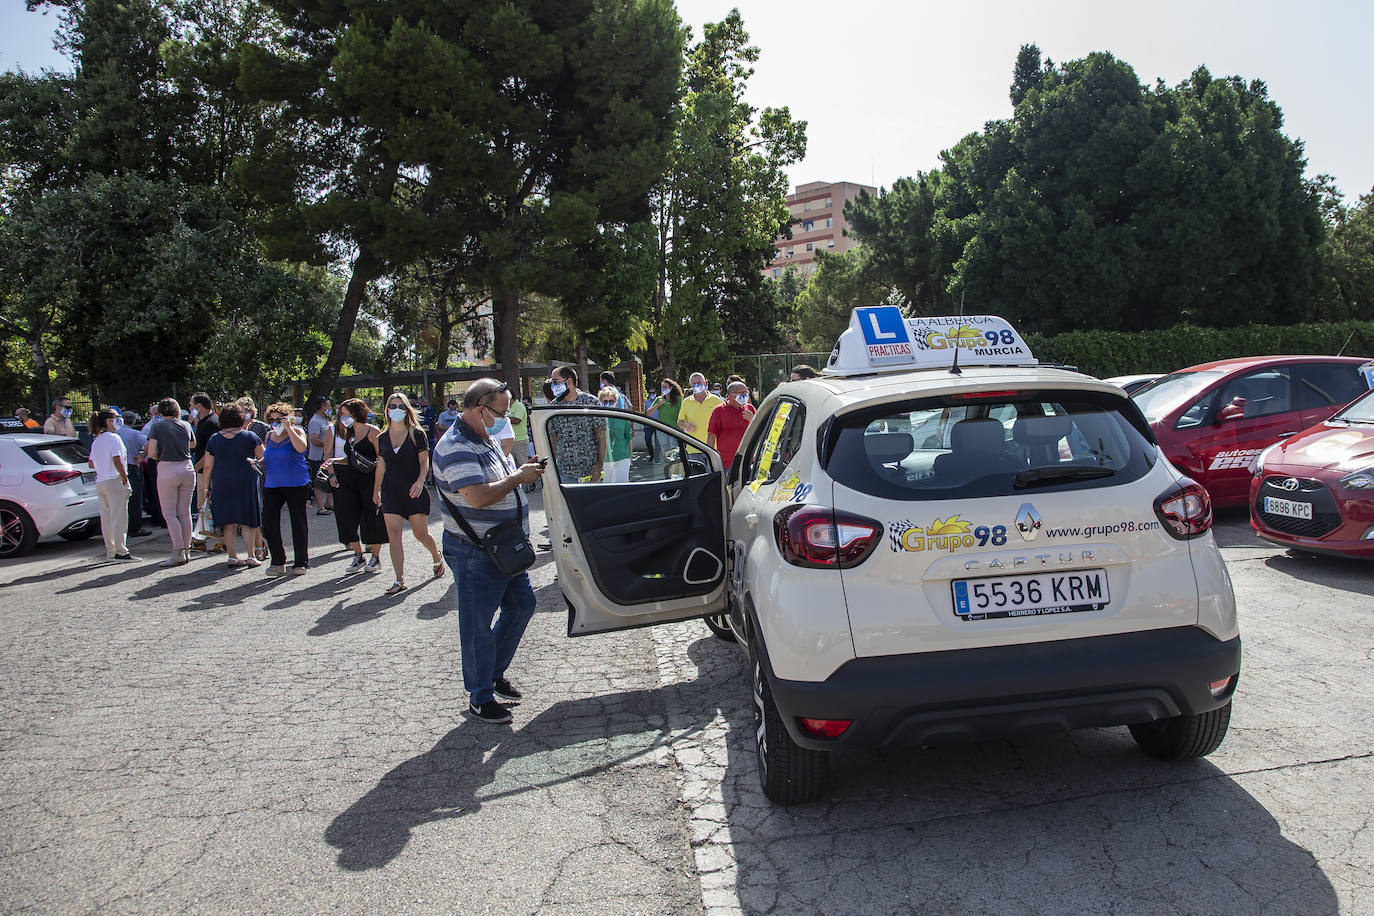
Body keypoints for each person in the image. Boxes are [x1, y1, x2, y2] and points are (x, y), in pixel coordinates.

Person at [432, 378, 544, 723]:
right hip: (477, 552)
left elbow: (499, 481)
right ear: (481, 410)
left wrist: (521, 472)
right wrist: (517, 478)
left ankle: (491, 674)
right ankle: (479, 697)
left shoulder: (485, 437)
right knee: (478, 623)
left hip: (501, 548)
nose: (506, 418)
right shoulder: (456, 446)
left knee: (522, 605)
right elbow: (478, 497)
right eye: (501, 412)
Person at [374, 391, 443, 595]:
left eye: (401, 406)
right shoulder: (382, 437)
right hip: (390, 491)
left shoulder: (416, 433)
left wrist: (421, 482)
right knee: (393, 535)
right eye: (393, 406)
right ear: (387, 410)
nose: (397, 410)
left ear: (407, 410)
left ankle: (437, 556)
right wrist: (376, 490)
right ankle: (399, 580)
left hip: (414, 490)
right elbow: (381, 465)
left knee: (420, 534)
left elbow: (424, 461)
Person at [322, 397, 387, 573]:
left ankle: (375, 557)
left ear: (356, 414)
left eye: (345, 415)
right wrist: (335, 462)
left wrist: (378, 488)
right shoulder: (348, 434)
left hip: (368, 480)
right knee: (346, 517)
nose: (342, 419)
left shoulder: (373, 431)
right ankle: (358, 555)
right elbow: (352, 460)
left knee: (371, 517)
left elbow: (381, 459)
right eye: (341, 415)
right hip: (348, 480)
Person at [198, 403, 265, 568]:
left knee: (228, 520)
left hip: (222, 482)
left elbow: (207, 466)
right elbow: (264, 458)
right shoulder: (250, 437)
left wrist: (206, 487)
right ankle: (251, 555)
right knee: (248, 519)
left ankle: (232, 556)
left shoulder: (214, 439)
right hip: (246, 481)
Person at [261, 402, 311, 576]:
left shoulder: (297, 431)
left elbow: (301, 448)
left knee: (297, 522)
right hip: (273, 484)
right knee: (269, 523)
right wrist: (257, 463)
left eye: (279, 419)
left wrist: (289, 429)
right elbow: (270, 456)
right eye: (272, 419)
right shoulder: (268, 436)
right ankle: (277, 561)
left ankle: (301, 562)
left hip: (296, 483)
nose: (275, 423)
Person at [146, 398, 196, 566]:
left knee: (169, 513)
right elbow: (193, 443)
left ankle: (178, 551)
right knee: (185, 512)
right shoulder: (185, 425)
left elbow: (152, 452)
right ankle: (187, 550)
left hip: (167, 468)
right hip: (187, 467)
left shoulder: (157, 426)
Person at [88, 407, 138, 562]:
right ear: (109, 421)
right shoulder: (113, 438)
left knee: (108, 519)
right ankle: (121, 551)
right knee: (119, 517)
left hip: (101, 481)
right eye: (117, 418)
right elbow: (117, 460)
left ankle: (110, 551)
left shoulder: (97, 440)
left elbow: (91, 463)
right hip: (114, 480)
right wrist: (124, 477)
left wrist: (103, 465)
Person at [546, 367, 606, 484]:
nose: (552, 386)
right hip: (564, 472)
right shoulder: (553, 407)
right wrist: (551, 468)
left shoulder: (590, 402)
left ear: (568, 381)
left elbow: (601, 436)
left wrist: (599, 466)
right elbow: (553, 439)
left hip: (589, 471)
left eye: (555, 382)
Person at [113, 409, 151, 538]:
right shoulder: (135, 433)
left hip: (116, 468)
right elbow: (148, 443)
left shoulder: (115, 433)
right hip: (132, 467)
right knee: (135, 498)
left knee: (121, 499)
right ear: (134, 421)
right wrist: (141, 457)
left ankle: (123, 527)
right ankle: (135, 527)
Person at [707, 379, 757, 467]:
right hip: (727, 464)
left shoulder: (750, 408)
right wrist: (710, 459)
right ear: (730, 395)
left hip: (748, 461)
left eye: (746, 393)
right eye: (742, 393)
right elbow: (711, 436)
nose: (745, 396)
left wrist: (752, 420)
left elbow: (760, 431)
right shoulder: (719, 411)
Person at [305, 396, 334, 515]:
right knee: (319, 481)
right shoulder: (315, 421)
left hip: (326, 456)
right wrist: (329, 443)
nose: (330, 408)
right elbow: (314, 440)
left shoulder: (325, 420)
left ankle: (328, 503)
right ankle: (320, 507)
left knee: (330, 477)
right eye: (328, 406)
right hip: (318, 457)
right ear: (322, 407)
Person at [598, 387, 634, 482]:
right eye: (605, 401)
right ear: (600, 402)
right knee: (607, 489)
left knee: (622, 488)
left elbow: (628, 438)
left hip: (622, 457)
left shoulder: (623, 417)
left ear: (616, 402)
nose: (608, 403)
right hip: (604, 460)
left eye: (611, 401)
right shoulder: (597, 418)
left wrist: (630, 457)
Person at [645, 379, 682, 465]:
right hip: (662, 431)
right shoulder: (659, 399)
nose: (663, 389)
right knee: (666, 454)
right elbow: (648, 413)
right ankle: (668, 472)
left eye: (665, 387)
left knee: (674, 453)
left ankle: (676, 472)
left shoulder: (678, 399)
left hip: (674, 430)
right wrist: (657, 405)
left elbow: (682, 414)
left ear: (671, 387)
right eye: (662, 387)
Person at [677, 372, 722, 442]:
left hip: (713, 446)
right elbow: (679, 421)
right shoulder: (686, 402)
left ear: (705, 383)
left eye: (699, 382)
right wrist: (685, 425)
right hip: (694, 446)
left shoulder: (716, 400)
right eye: (693, 384)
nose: (696, 385)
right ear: (691, 385)